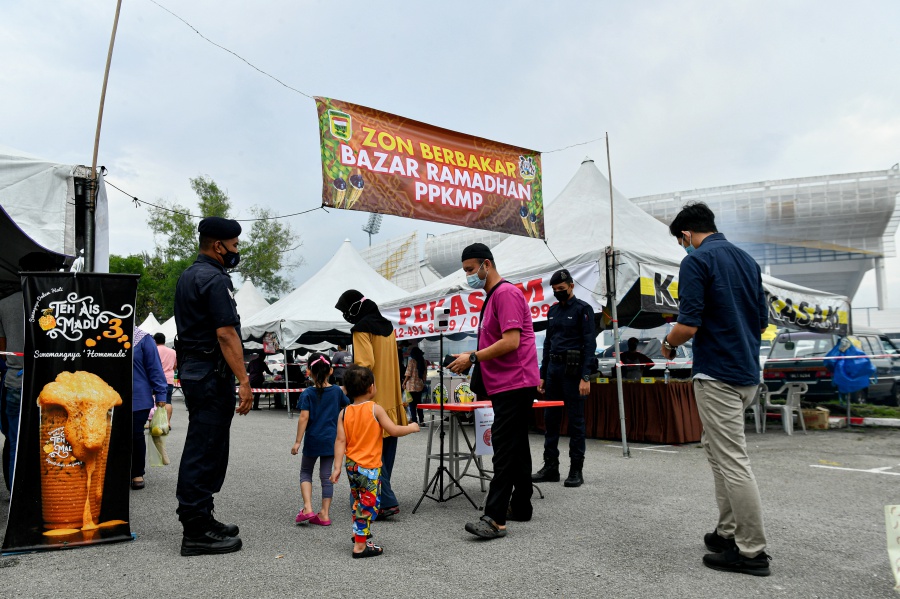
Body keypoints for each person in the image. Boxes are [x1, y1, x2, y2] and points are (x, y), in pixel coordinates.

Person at [660, 202, 772, 576]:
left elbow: (688, 324)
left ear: (686, 234)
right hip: (746, 373)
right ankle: (727, 533)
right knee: (717, 450)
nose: (683, 248)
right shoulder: (747, 260)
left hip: (718, 375)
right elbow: (760, 320)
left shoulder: (696, 261)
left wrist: (669, 342)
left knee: (733, 460)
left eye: (681, 242)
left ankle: (752, 551)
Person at [448, 243, 540, 539]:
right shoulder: (492, 297)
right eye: (465, 271)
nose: (468, 276)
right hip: (507, 383)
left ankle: (495, 518)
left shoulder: (506, 294)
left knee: (503, 449)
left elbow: (511, 342)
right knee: (517, 445)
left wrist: (472, 357)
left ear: (486, 264)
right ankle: (521, 506)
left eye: (470, 270)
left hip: (515, 382)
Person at [174, 216, 252, 556]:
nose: (236, 251)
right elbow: (226, 333)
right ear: (218, 245)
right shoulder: (213, 279)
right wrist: (245, 380)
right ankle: (195, 529)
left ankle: (202, 516)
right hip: (210, 373)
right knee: (205, 449)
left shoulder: (190, 275)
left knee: (206, 446)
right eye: (233, 246)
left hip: (196, 370)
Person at [330, 365, 419, 558]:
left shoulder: (344, 413)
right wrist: (411, 427)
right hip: (369, 467)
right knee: (368, 505)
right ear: (371, 388)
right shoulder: (375, 409)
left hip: (352, 466)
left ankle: (360, 534)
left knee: (358, 503)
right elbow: (393, 430)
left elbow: (340, 441)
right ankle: (360, 546)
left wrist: (337, 467)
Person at [334, 289, 407, 519]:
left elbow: (365, 364)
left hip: (371, 400)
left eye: (346, 310)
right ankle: (372, 497)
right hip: (393, 399)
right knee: (386, 453)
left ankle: (384, 501)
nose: (346, 315)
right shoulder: (388, 327)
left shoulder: (361, 328)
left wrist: (347, 387)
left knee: (369, 455)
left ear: (355, 307)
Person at [0, 251, 59, 491]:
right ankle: (44, 494)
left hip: (15, 380)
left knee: (15, 441)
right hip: (49, 383)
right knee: (52, 439)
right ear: (46, 273)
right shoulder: (54, 304)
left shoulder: (4, 304)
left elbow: (2, 349)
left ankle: (17, 497)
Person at [533, 268, 596, 488]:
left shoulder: (583, 310)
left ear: (571, 286)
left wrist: (586, 376)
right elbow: (548, 343)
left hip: (573, 371)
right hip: (553, 371)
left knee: (576, 422)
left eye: (561, 288)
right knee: (551, 421)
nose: (558, 292)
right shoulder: (553, 311)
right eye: (555, 290)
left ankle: (576, 470)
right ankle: (551, 467)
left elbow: (590, 345)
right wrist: (542, 375)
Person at [290, 352, 349, 526]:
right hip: (331, 440)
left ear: (309, 371)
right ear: (331, 371)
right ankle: (325, 514)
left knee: (306, 472)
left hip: (313, 439)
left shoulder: (308, 393)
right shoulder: (337, 392)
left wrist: (297, 441)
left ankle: (307, 508)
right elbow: (347, 407)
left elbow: (303, 418)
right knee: (326, 476)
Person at [132, 327, 168, 490]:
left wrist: (161, 394)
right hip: (106, 395)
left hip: (137, 397)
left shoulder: (142, 338)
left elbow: (154, 366)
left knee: (135, 434)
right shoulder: (101, 332)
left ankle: (136, 472)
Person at [154, 333, 177, 426]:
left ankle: (155, 422)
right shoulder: (173, 351)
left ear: (154, 341)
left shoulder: (154, 350)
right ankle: (167, 422)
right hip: (169, 378)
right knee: (168, 401)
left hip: (157, 378)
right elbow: (175, 365)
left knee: (155, 400)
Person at [403, 339, 426, 424]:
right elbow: (424, 375)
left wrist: (404, 382)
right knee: (419, 403)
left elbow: (408, 374)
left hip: (411, 386)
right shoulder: (423, 361)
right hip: (419, 385)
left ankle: (414, 420)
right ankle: (422, 420)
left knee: (412, 404)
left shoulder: (411, 361)